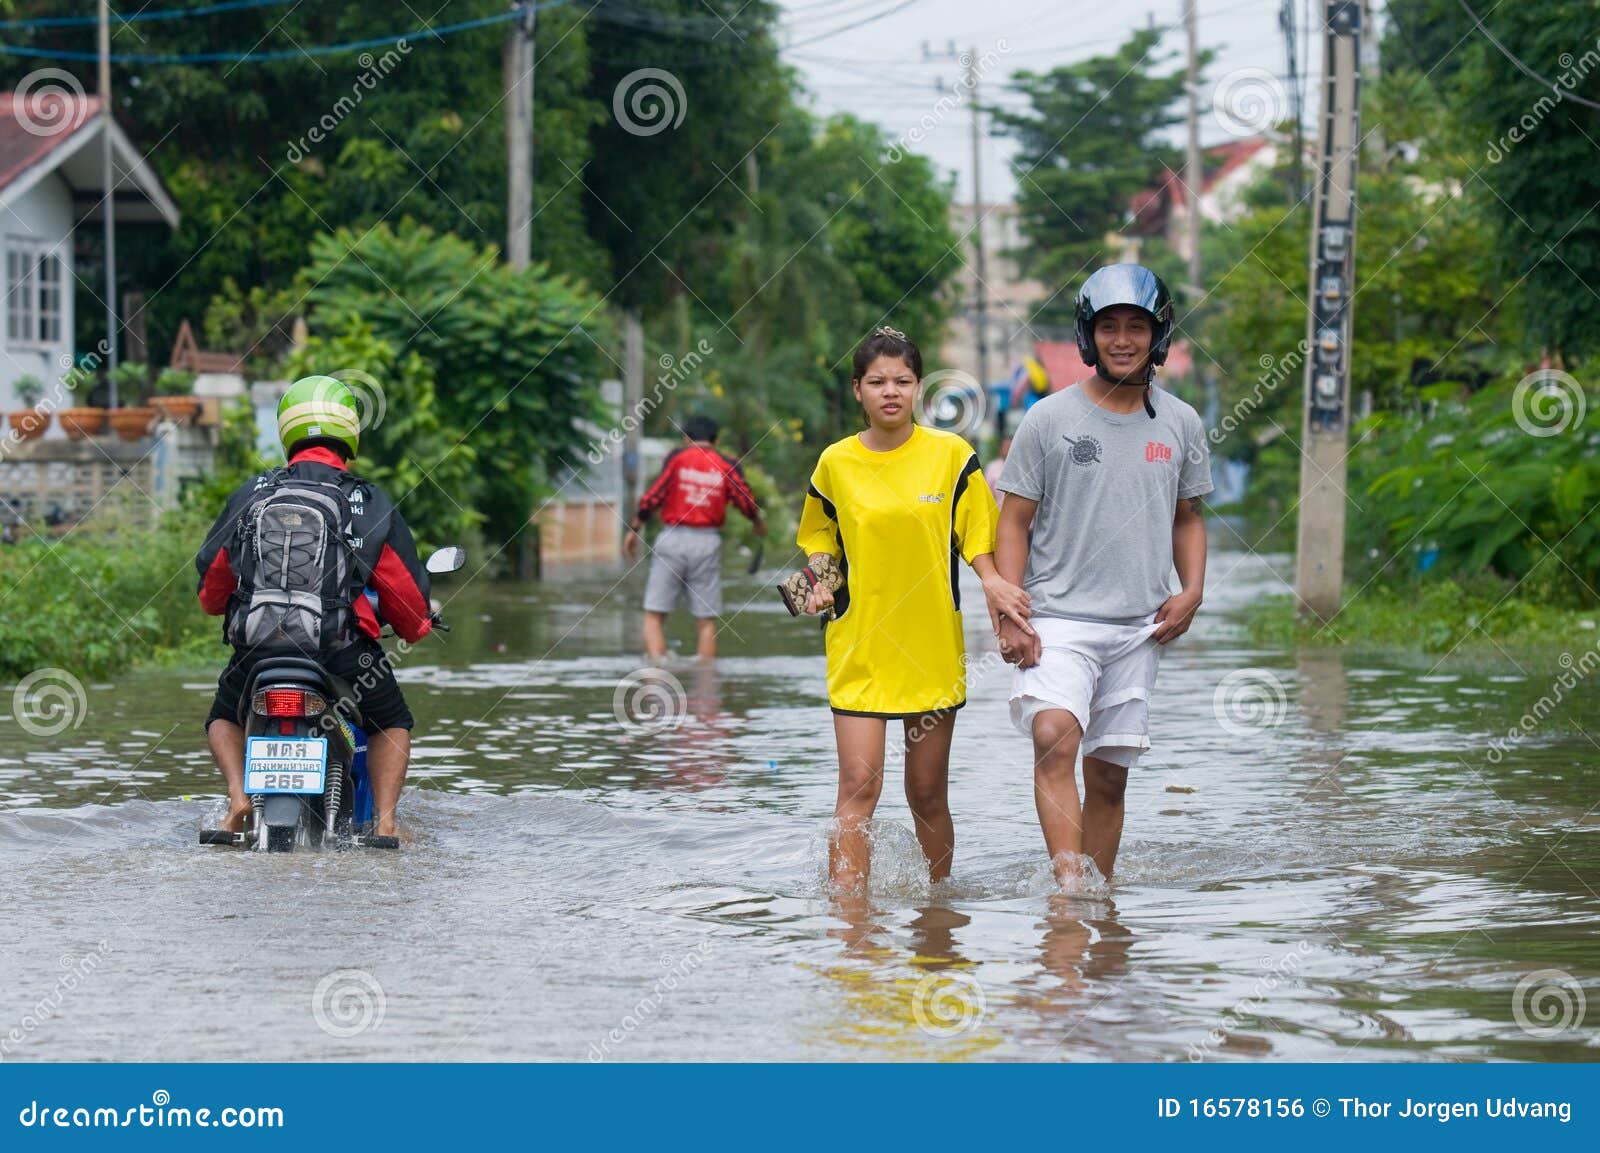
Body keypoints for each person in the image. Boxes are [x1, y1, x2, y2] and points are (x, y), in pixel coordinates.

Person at [993, 265, 1211, 885]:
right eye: (1108, 326)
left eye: (1136, 327)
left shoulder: (1181, 423)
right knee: (1055, 735)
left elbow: (1188, 517)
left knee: (1110, 775)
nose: (1122, 339)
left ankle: (1100, 902)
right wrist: (1009, 613)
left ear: (1157, 335)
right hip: (1058, 617)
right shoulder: (1047, 419)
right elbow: (1013, 523)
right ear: (1088, 336)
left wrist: (1192, 590)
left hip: (1139, 626)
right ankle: (1068, 891)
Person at [795, 326, 1033, 888]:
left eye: (902, 380)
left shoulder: (951, 457)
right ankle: (850, 925)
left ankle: (938, 909)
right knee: (858, 786)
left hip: (930, 645)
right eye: (876, 381)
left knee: (926, 792)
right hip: (859, 644)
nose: (890, 391)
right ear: (857, 390)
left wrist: (995, 587)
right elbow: (820, 542)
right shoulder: (835, 463)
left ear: (919, 387)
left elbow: (978, 535)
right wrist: (816, 583)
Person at [195, 376, 435, 838]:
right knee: (392, 720)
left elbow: (210, 593)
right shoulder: (368, 501)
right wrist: (418, 624)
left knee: (223, 715)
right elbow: (408, 608)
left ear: (287, 430)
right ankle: (386, 826)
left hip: (258, 655)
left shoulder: (253, 494)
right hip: (341, 654)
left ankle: (238, 800)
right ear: (350, 433)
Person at [624, 414, 766, 661]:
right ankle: (706, 684)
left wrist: (635, 527)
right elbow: (745, 500)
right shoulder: (726, 464)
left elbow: (654, 496)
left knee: (654, 615)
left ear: (686, 438)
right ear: (716, 439)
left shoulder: (677, 459)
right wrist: (757, 523)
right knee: (707, 620)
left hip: (672, 539)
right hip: (707, 542)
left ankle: (659, 673)